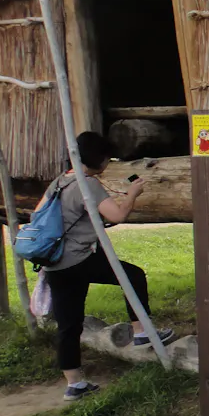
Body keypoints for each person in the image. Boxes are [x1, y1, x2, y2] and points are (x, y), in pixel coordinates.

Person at [39, 132, 174, 401]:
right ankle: (141, 332)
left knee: (68, 325)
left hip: (55, 262)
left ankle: (74, 385)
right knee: (133, 276)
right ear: (101, 159)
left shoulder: (59, 181)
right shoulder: (87, 183)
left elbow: (39, 214)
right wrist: (133, 193)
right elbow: (118, 215)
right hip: (79, 259)